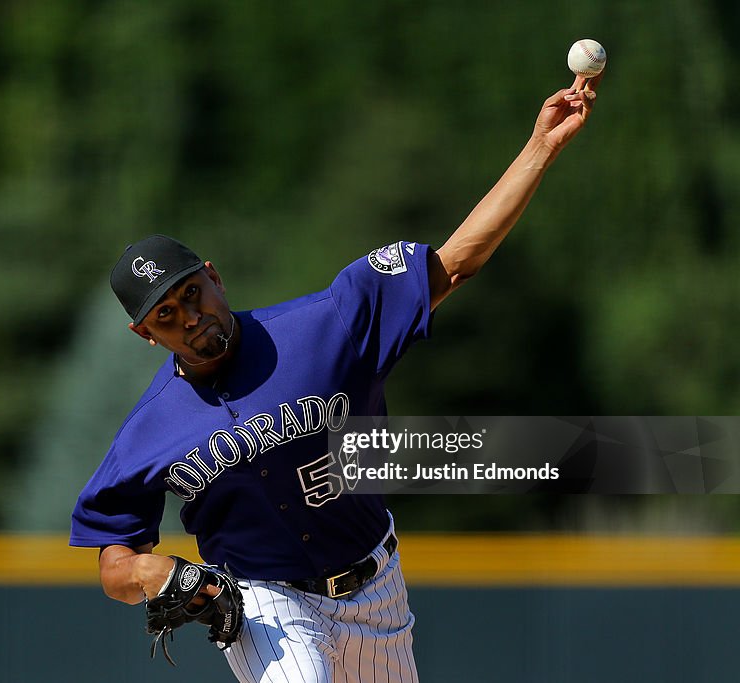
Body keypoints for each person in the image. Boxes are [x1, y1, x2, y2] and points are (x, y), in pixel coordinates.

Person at [70, 73, 601, 682]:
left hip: (377, 592)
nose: (191, 319)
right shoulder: (149, 430)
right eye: (167, 315)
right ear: (146, 334)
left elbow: (456, 262)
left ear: (214, 277)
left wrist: (539, 149)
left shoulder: (327, 325)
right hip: (265, 606)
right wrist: (146, 573)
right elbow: (113, 558)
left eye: (193, 294)